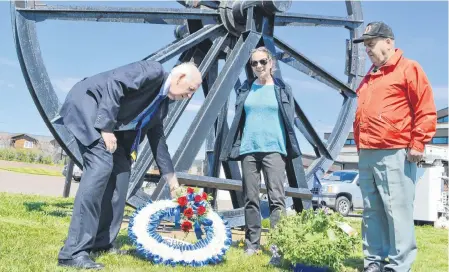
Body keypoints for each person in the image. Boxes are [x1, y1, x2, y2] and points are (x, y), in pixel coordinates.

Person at [56, 60, 202, 269]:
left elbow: (158, 141)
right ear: (180, 78)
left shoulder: (161, 106)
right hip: (89, 108)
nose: (189, 96)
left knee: (122, 176)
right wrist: (105, 128)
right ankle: (73, 252)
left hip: (113, 130)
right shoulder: (153, 71)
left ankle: (102, 242)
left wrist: (172, 180)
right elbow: (115, 83)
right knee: (100, 167)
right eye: (190, 89)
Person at [352, 22, 437, 272]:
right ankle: (373, 262)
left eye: (371, 42)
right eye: (365, 44)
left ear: (389, 42)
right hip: (367, 152)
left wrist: (418, 141)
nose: (367, 48)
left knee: (396, 212)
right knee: (371, 212)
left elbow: (425, 108)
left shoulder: (409, 69)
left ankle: (399, 266)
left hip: (395, 151)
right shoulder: (369, 76)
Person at [220, 46, 301, 255]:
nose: (258, 66)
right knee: (251, 199)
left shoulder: (283, 89)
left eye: (262, 62)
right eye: (254, 63)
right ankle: (252, 244)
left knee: (277, 199)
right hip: (249, 149)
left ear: (271, 63)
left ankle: (277, 245)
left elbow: (289, 119)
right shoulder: (246, 89)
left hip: (274, 149)